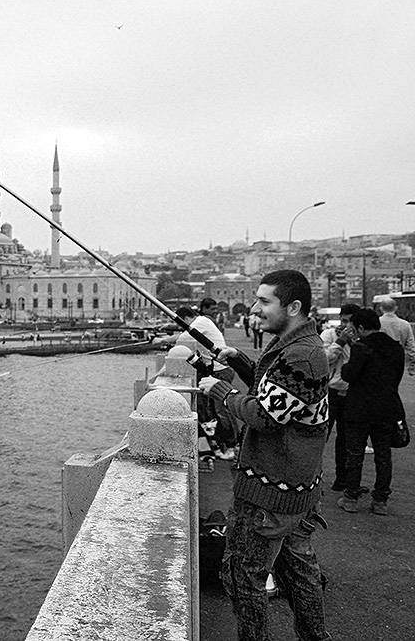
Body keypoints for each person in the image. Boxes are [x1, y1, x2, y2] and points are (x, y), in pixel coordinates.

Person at [198, 269, 330, 641]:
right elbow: (276, 390)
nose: (255, 309)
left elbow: (265, 415)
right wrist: (239, 361)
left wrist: (221, 391)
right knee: (297, 572)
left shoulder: (302, 355)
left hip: (272, 491)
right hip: (296, 487)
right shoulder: (296, 346)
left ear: (294, 306)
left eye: (264, 301)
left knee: (242, 576)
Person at [337, 308, 404, 516]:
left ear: (361, 328)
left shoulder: (361, 348)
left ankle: (351, 498)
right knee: (383, 455)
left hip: (359, 409)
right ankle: (381, 500)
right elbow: (397, 377)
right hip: (387, 409)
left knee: (355, 454)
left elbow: (348, 375)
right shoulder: (396, 348)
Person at [156, 301, 237, 455]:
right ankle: (224, 444)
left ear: (185, 318)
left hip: (221, 371)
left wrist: (161, 340)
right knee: (214, 411)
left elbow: (183, 338)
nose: (180, 327)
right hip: (216, 370)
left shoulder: (201, 322)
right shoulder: (202, 322)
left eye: (180, 324)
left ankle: (233, 446)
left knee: (222, 410)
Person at [320, 303, 361, 491]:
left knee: (345, 438)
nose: (347, 326)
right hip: (331, 392)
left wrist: (355, 344)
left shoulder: (362, 340)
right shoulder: (329, 335)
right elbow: (324, 360)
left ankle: (342, 479)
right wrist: (341, 341)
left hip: (352, 394)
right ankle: (313, 477)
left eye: (351, 323)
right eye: (344, 321)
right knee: (321, 435)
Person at [376, 297, 415, 376]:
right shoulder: (405, 324)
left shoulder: (376, 323)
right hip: (398, 360)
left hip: (379, 359)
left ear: (381, 308)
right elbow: (411, 345)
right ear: (395, 308)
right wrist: (412, 363)